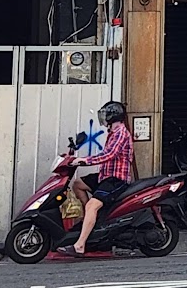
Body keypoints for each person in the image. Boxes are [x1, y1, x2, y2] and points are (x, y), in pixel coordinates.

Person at [59, 101, 133, 257]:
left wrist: (85, 161)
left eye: (106, 114)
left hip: (116, 179)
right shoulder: (112, 132)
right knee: (78, 185)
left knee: (92, 205)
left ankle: (79, 245)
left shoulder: (120, 133)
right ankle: (91, 219)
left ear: (113, 116)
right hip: (105, 175)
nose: (103, 117)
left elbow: (109, 155)